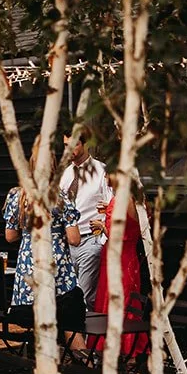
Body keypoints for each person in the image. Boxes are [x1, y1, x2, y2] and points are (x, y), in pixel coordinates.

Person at [4, 140, 82, 320]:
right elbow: (74, 239)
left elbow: (10, 236)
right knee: (67, 316)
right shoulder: (61, 198)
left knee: (32, 317)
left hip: (28, 262)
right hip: (56, 263)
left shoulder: (18, 196)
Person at [91, 174, 148, 357]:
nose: (106, 176)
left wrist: (102, 225)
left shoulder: (122, 199)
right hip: (124, 256)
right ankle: (123, 350)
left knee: (118, 301)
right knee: (118, 301)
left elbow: (118, 233)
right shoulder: (132, 199)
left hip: (119, 258)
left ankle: (119, 351)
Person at [60, 130, 112, 305]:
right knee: (67, 296)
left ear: (85, 144)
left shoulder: (101, 172)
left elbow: (112, 205)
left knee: (84, 296)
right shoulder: (65, 174)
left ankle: (87, 332)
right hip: (67, 243)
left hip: (90, 240)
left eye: (73, 144)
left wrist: (101, 240)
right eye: (66, 145)